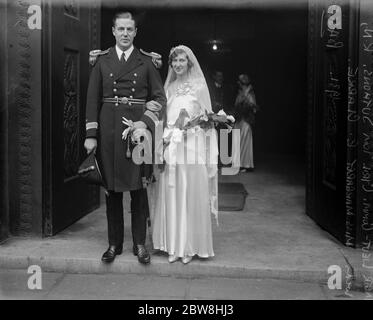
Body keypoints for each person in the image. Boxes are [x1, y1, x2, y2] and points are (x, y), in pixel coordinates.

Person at [84, 12, 166, 264]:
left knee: (138, 190)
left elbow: (160, 99)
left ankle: (140, 244)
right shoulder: (102, 61)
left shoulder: (147, 62)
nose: (125, 34)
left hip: (138, 134)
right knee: (112, 190)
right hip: (109, 132)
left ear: (135, 32)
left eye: (129, 29)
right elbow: (91, 99)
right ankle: (114, 244)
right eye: (120, 29)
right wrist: (91, 135)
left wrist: (144, 122)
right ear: (113, 31)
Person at [151, 45, 219, 264]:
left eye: (182, 61)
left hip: (192, 145)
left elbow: (208, 118)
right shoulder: (169, 88)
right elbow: (163, 118)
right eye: (175, 62)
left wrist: (192, 129)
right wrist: (163, 139)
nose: (178, 65)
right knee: (172, 192)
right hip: (172, 145)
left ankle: (189, 246)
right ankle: (172, 244)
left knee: (190, 193)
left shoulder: (199, 86)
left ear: (189, 63)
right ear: (171, 65)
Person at [233, 74, 259, 172]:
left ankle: (245, 164)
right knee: (237, 140)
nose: (239, 83)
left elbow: (254, 107)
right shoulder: (240, 93)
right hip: (239, 119)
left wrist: (248, 104)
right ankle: (237, 163)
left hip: (246, 120)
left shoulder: (250, 93)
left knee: (244, 141)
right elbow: (236, 105)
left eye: (240, 81)